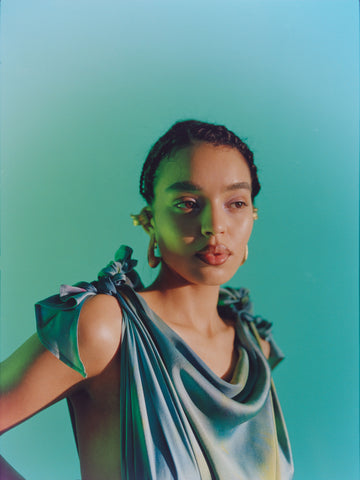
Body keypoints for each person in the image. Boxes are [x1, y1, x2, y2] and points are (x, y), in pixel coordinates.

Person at [0, 120, 294, 479]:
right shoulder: (106, 328)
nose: (214, 226)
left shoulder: (255, 348)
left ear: (252, 215)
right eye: (187, 203)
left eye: (235, 203)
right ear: (150, 220)